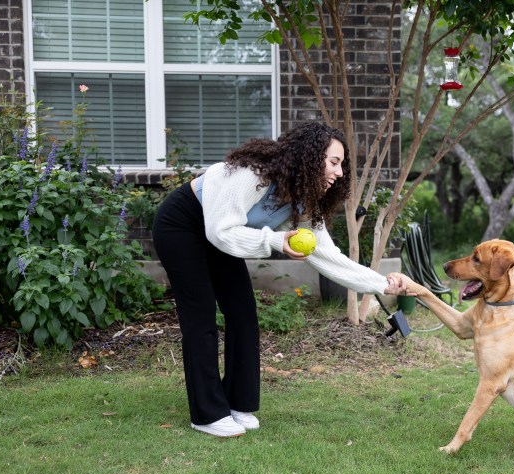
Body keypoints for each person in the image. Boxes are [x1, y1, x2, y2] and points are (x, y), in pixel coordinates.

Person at [152, 122, 409, 438]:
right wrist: (276, 240)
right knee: (200, 315)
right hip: (183, 225)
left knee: (243, 313)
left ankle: (236, 402)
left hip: (225, 235)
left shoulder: (299, 196)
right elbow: (220, 231)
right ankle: (207, 414)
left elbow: (327, 255)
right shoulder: (252, 174)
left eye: (341, 165)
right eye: (334, 162)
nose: (340, 173)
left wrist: (379, 283)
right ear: (310, 157)